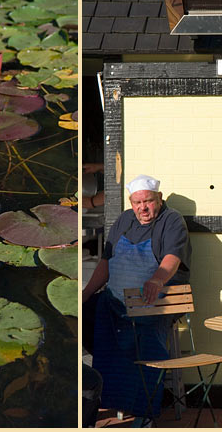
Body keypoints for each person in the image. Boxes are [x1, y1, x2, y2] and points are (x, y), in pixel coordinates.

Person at [82, 174, 192, 425]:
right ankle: (98, 402)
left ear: (159, 199)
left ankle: (144, 412)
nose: (143, 208)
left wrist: (156, 280)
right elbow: (106, 261)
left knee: (145, 342)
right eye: (137, 202)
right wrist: (87, 292)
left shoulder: (172, 220)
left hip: (154, 300)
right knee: (89, 321)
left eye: (148, 201)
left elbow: (172, 258)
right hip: (116, 300)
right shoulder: (123, 220)